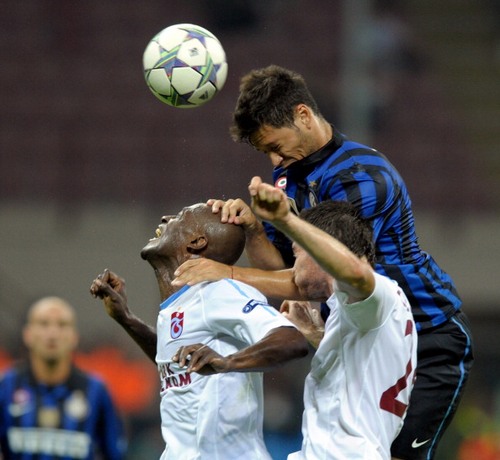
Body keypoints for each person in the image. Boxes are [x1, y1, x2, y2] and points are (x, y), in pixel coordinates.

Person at [172, 65, 474, 460]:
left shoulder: (362, 178)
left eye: (275, 145)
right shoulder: (289, 175)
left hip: (425, 331)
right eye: (265, 152)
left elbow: (320, 280)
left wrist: (228, 274)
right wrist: (254, 231)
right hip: (358, 337)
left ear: (303, 115)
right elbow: (288, 267)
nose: (274, 159)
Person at [175, 177, 418, 459]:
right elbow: (362, 379)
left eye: (297, 254)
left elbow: (354, 272)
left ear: (321, 252)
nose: (294, 268)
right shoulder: (369, 314)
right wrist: (318, 337)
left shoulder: (379, 293)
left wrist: (285, 221)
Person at [89, 203, 309, 460]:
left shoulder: (219, 290)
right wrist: (126, 318)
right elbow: (175, 364)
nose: (166, 216)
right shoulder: (180, 304)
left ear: (196, 241)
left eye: (181, 217)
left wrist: (228, 362)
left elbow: (292, 339)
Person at [0, 296, 126, 460]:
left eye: (62, 325)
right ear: (27, 334)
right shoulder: (7, 386)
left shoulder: (95, 390)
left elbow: (114, 453)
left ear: (74, 337)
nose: (53, 333)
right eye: (43, 324)